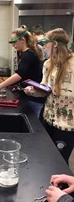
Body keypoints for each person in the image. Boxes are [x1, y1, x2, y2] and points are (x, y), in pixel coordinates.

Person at [24, 28, 74, 163]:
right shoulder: (47, 63)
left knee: (60, 160)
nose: (43, 46)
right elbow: (45, 89)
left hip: (67, 125)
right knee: (45, 156)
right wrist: (33, 90)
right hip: (47, 118)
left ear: (55, 44)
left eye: (46, 42)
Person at [0, 25, 45, 118]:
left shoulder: (28, 54)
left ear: (22, 40)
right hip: (29, 95)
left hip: (33, 98)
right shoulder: (26, 53)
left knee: (32, 122)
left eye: (14, 41)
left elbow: (19, 74)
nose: (13, 45)